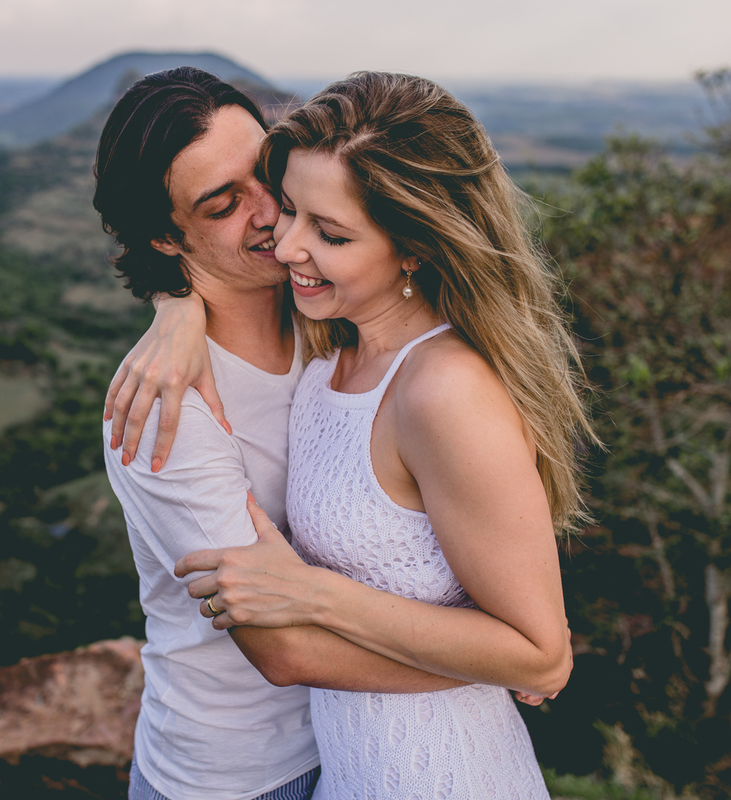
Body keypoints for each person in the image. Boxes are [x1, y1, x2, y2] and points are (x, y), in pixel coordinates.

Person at [107, 72, 594, 798]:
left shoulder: (333, 330)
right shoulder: (168, 404)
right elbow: (284, 648)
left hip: (384, 760)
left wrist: (521, 657)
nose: (275, 219)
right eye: (224, 204)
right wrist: (175, 307)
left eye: (266, 176)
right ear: (164, 236)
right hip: (243, 775)